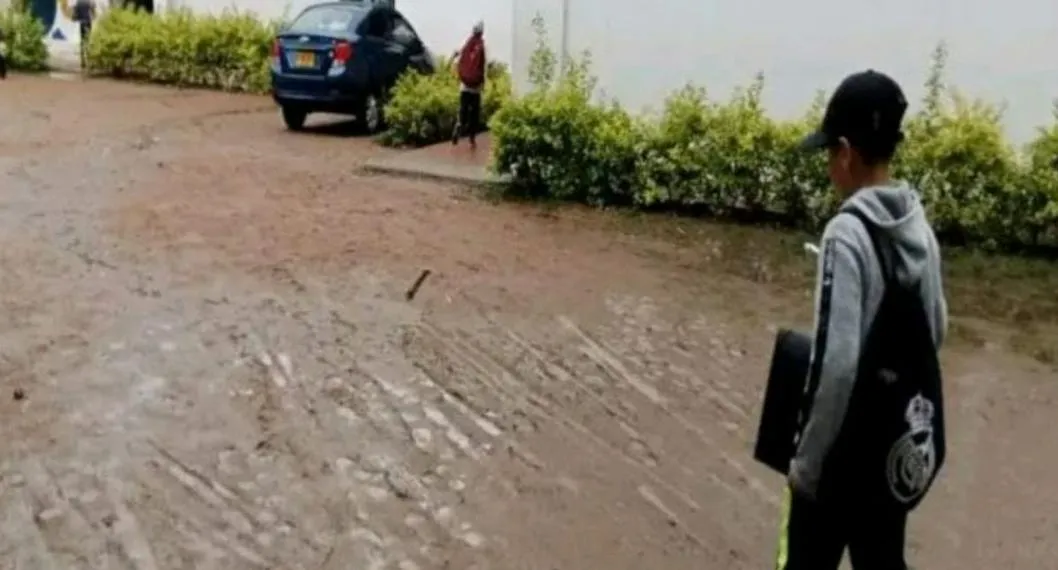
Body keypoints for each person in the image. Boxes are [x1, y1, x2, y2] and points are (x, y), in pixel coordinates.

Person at [775, 70, 948, 570]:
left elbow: (838, 364)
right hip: (890, 448)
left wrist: (807, 466)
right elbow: (936, 330)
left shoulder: (845, 233)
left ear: (846, 152)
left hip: (839, 459)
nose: (830, 167)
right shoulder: (918, 224)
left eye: (831, 154)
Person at [452, 21, 486, 149]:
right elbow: (484, 66)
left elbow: (457, 57)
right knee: (474, 115)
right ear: (482, 32)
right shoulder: (482, 45)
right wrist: (484, 83)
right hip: (476, 87)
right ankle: (472, 139)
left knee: (463, 110)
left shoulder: (465, 43)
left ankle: (459, 123)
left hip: (464, 85)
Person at [73, 0, 97, 69]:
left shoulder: (79, 2)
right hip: (88, 22)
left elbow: (75, 15)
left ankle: (83, 60)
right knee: (88, 40)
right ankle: (89, 59)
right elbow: (94, 13)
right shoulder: (89, 2)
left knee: (82, 40)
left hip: (82, 23)